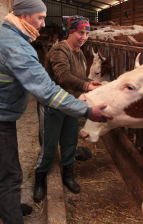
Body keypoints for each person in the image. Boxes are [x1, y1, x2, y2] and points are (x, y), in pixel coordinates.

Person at [0, 0, 112, 224]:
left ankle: (6, 207)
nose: (44, 24)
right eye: (40, 18)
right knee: (11, 174)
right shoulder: (19, 49)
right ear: (24, 16)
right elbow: (48, 91)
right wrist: (86, 109)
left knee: (3, 165)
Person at [33, 16, 102, 203]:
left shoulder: (79, 52)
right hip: (53, 105)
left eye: (87, 33)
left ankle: (68, 175)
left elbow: (76, 76)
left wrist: (89, 82)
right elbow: (63, 77)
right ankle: (39, 178)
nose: (84, 37)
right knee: (48, 145)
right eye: (80, 32)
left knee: (70, 141)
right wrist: (87, 88)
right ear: (70, 31)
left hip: (71, 103)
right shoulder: (59, 50)